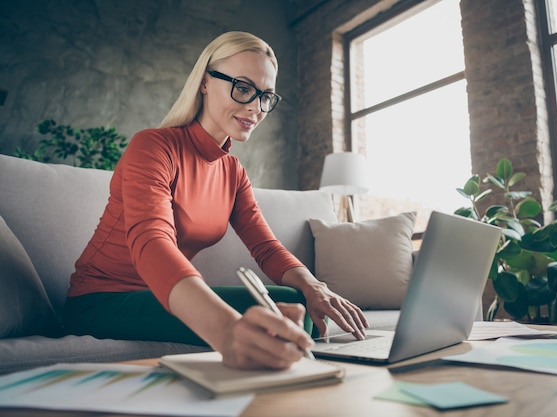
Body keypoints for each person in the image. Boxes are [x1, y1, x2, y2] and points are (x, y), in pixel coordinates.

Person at [63, 31, 368, 370]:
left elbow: (266, 247)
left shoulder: (233, 171)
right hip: (102, 300)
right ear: (205, 82)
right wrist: (226, 330)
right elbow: (151, 241)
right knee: (274, 318)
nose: (255, 107)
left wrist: (315, 286)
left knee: (297, 303)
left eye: (265, 96)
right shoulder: (152, 147)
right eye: (242, 88)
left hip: (161, 297)